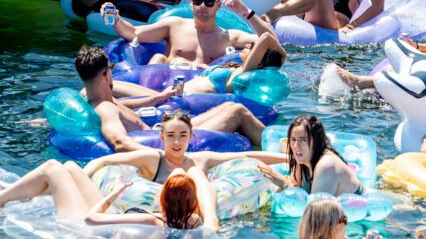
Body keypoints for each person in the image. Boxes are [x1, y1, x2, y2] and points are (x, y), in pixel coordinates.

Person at [75, 45, 265, 150]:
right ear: (106, 75)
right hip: (166, 142)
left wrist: (155, 98)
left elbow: (123, 104)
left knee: (228, 107)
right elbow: (119, 142)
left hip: (163, 132)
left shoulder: (103, 100)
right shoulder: (105, 109)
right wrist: (160, 159)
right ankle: (280, 150)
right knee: (237, 111)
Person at [0, 158, 219, 231]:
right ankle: (22, 193)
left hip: (83, 227)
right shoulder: (194, 220)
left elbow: (91, 218)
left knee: (53, 167)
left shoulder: (151, 220)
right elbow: (199, 179)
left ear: (164, 196)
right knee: (71, 167)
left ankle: (2, 199)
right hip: (110, 219)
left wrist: (114, 194)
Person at [106, 0, 276, 67]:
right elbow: (134, 33)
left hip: (203, 93)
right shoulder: (174, 25)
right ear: (191, 3)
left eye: (208, 2)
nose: (202, 6)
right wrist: (115, 19)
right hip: (165, 88)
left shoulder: (229, 37)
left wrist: (247, 12)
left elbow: (271, 43)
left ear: (218, 6)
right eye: (198, 1)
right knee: (158, 58)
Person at [84, 110, 285, 180]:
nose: (177, 141)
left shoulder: (200, 160)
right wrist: (85, 176)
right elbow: (105, 160)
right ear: (162, 138)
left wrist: (288, 158)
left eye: (183, 135)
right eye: (171, 135)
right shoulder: (153, 159)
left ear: (191, 137)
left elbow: (246, 157)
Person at [258, 115, 363, 197]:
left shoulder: (326, 166)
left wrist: (285, 184)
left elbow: (314, 215)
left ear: (316, 141)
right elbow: (296, 187)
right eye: (293, 139)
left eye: (303, 140)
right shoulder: (303, 160)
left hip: (359, 211)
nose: (295, 146)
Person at [185, 30, 286, 95]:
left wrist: (283, 54)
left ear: (259, 59)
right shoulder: (235, 68)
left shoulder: (246, 71)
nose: (247, 45)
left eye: (252, 46)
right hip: (180, 92)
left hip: (189, 97)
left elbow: (266, 37)